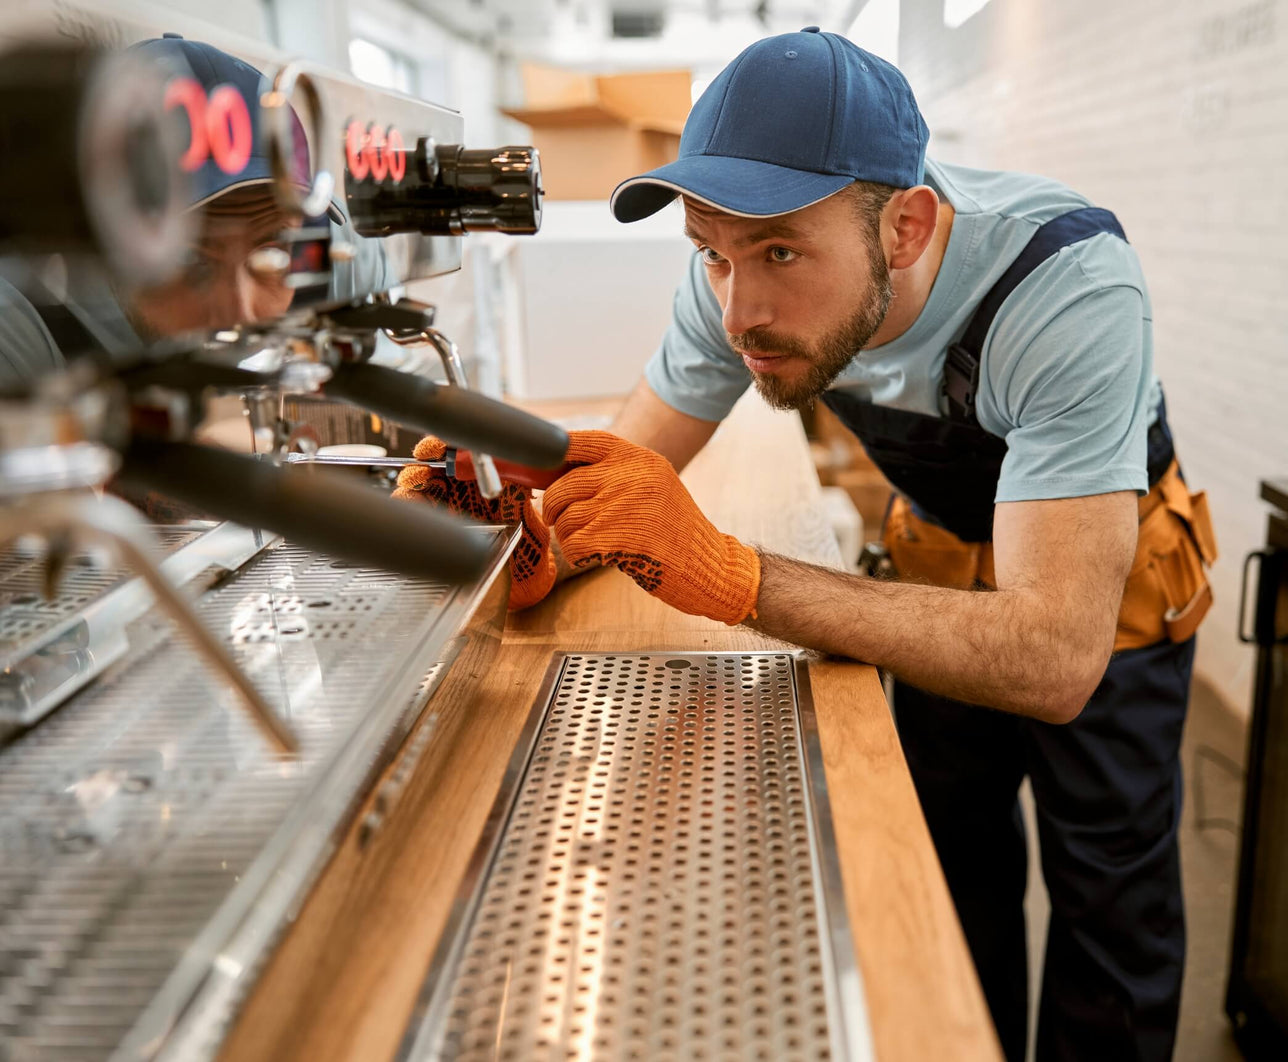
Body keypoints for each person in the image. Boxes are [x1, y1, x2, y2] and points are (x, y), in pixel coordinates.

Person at [398, 27, 1216, 1062]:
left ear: (907, 227)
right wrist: (517, 517)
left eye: (781, 251)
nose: (739, 309)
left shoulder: (1065, 286)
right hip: (932, 576)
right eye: (711, 253)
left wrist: (736, 575)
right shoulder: (734, 282)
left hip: (1106, 598)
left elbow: (1055, 656)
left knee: (1111, 915)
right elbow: (628, 478)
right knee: (948, 873)